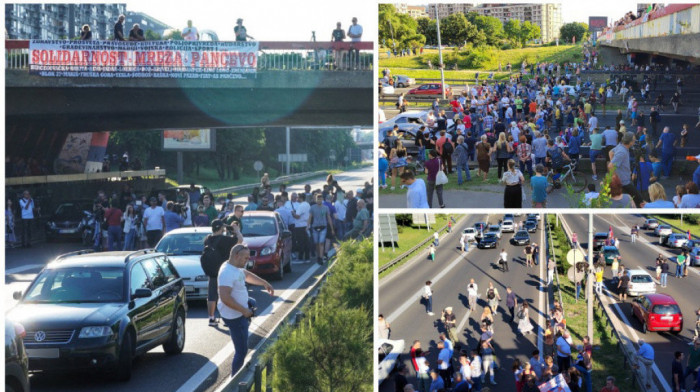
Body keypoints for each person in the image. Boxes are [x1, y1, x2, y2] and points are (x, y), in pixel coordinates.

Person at [218, 244, 274, 377]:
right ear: (236, 256)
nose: (248, 260)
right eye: (246, 258)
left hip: (239, 313)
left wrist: (264, 282)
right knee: (242, 350)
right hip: (235, 316)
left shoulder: (235, 267)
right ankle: (235, 381)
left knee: (252, 301)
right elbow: (225, 297)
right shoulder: (227, 272)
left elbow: (246, 275)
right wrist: (244, 310)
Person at [204, 220, 243, 326]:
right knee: (227, 294)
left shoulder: (207, 239)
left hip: (212, 270)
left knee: (212, 295)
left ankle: (211, 318)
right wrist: (236, 231)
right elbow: (240, 241)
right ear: (221, 228)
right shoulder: (225, 239)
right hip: (224, 270)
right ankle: (228, 318)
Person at [308, 194, 334, 265]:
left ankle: (321, 257)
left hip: (323, 227)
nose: (319, 200)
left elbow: (328, 218)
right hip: (315, 227)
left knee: (321, 242)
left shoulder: (326, 208)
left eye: (320, 199)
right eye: (318, 199)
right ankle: (318, 256)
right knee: (317, 243)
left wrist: (332, 228)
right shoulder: (312, 207)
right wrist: (308, 226)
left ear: (322, 199)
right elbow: (310, 217)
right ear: (316, 200)